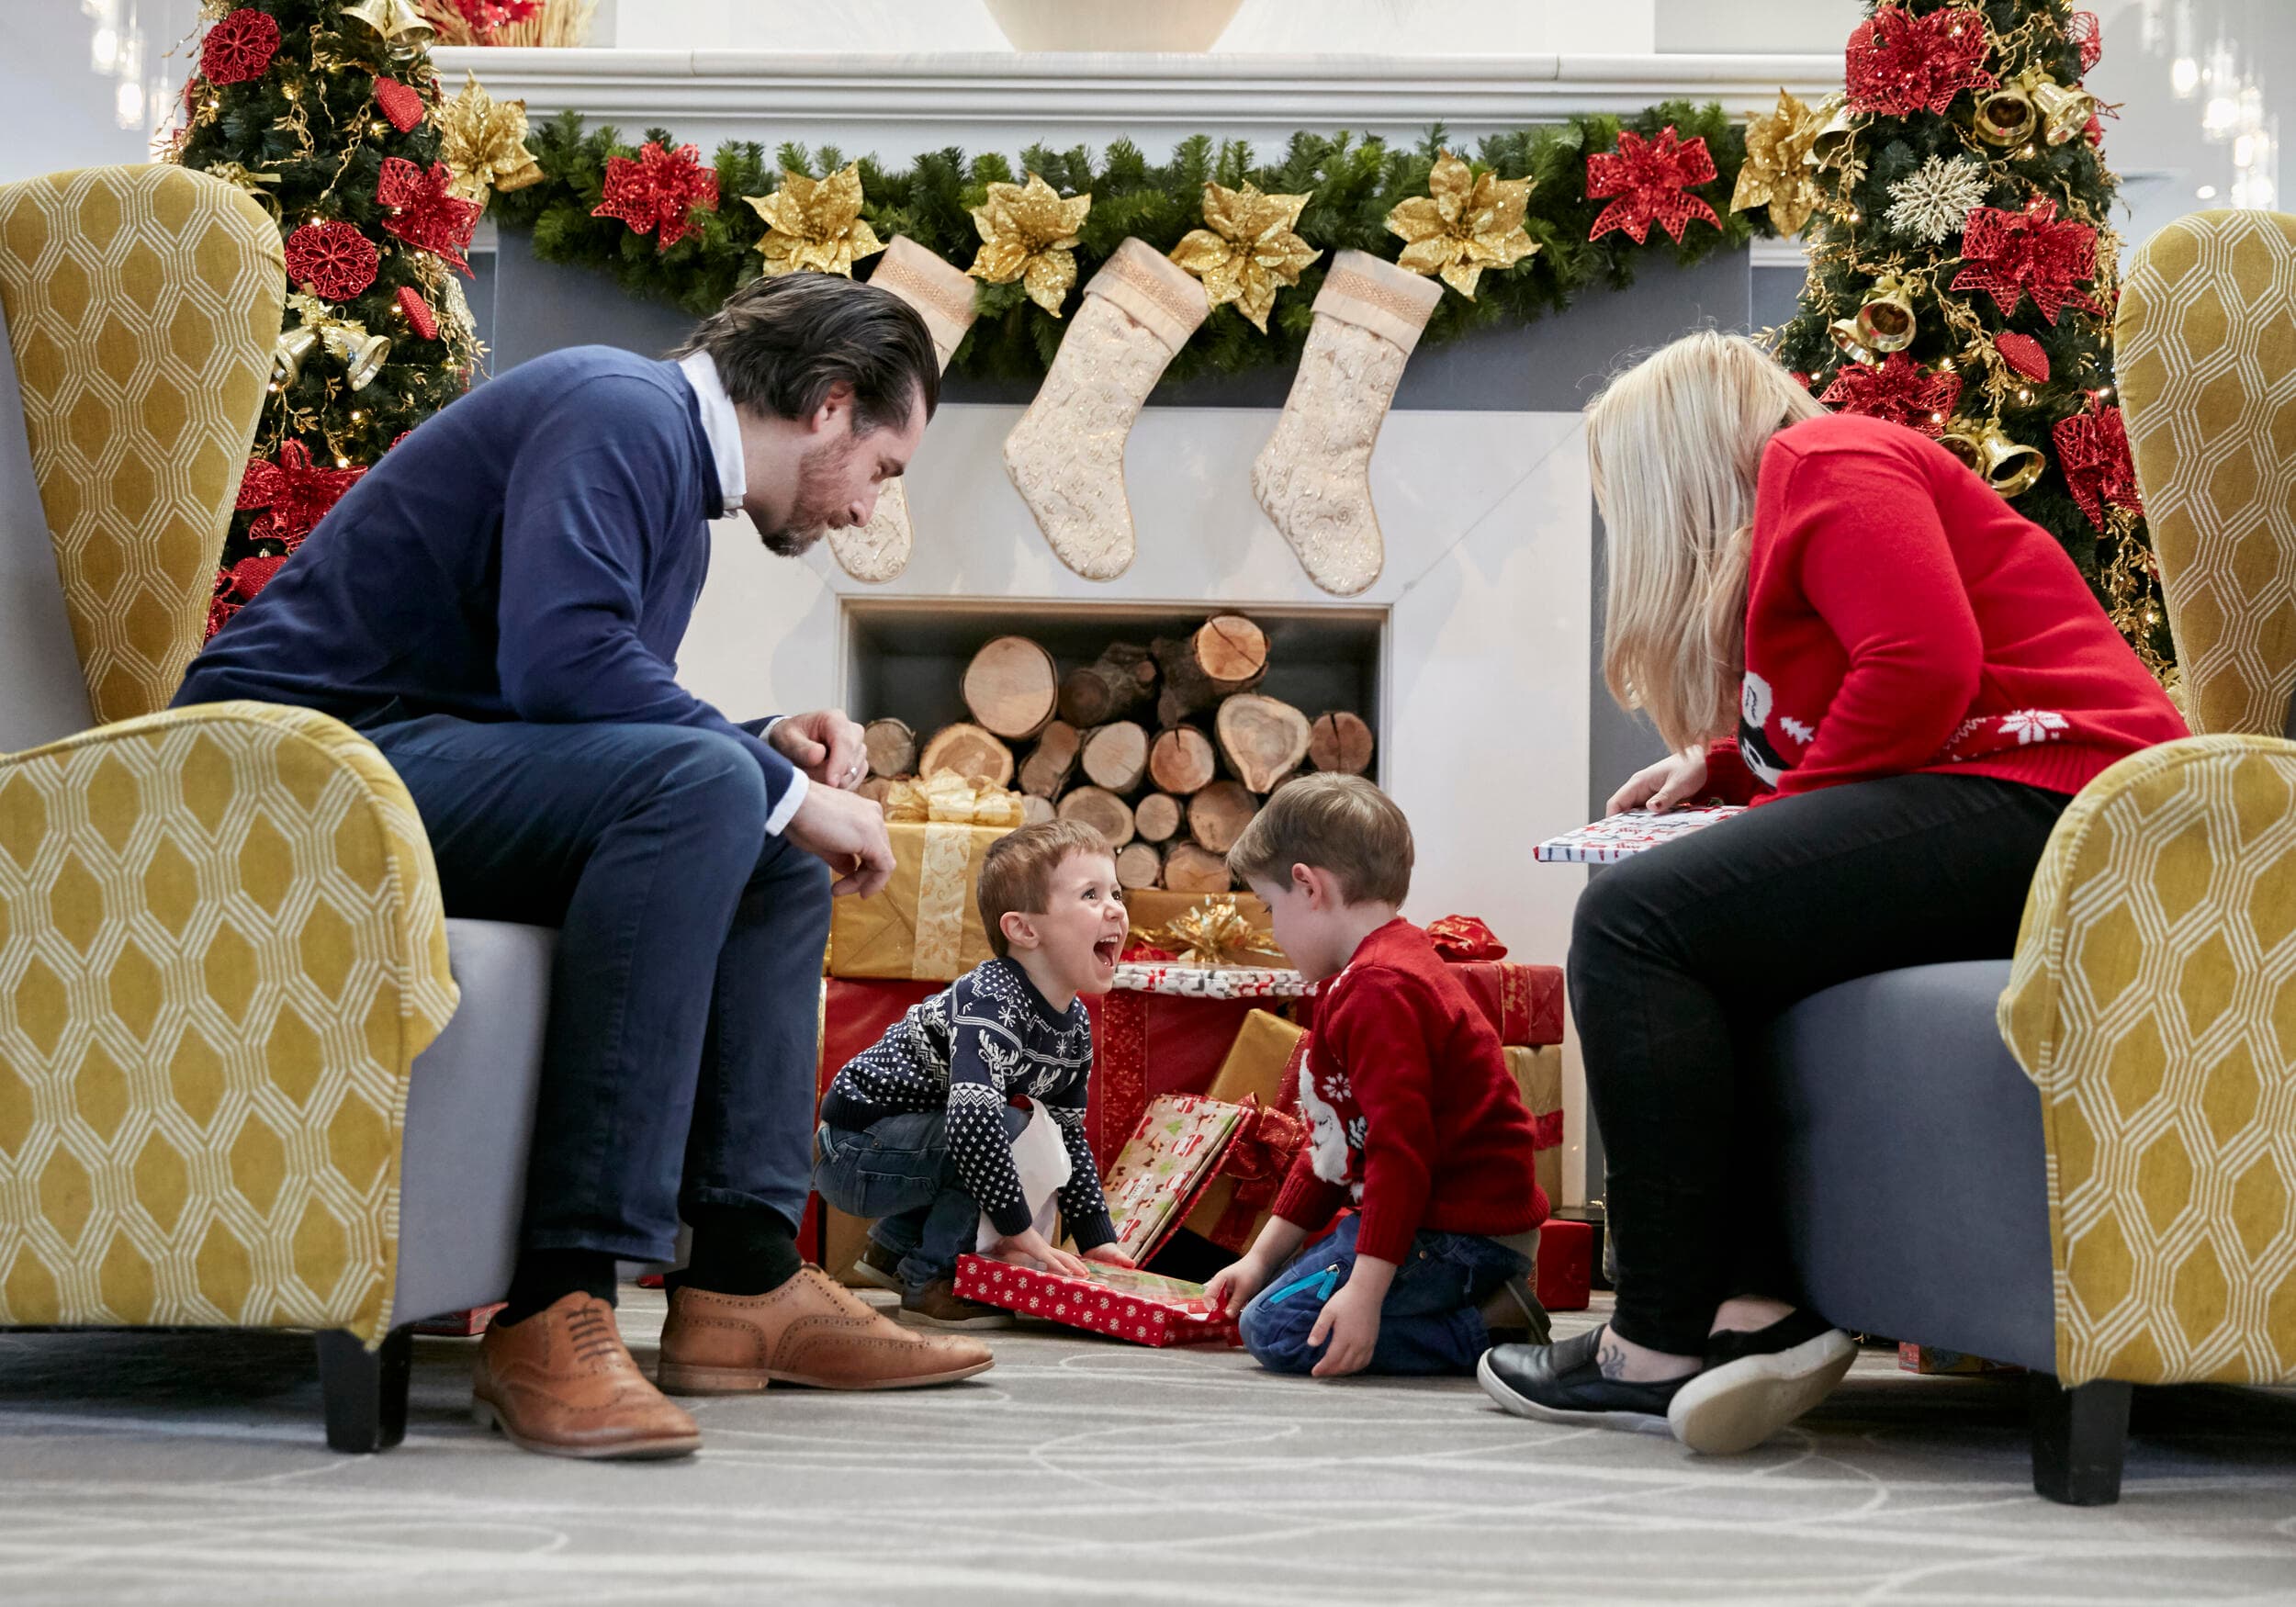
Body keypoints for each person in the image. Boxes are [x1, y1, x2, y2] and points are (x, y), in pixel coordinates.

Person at [174, 273, 996, 1462]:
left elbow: (579, 713)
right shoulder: (622, 410)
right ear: (827, 402)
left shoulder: (661, 465)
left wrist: (763, 756)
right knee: (734, 795)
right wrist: (775, 782)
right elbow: (568, 671)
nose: (873, 508)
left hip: (406, 757)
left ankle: (745, 1279)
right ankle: (557, 1301)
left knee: (760, 840)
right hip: (290, 775)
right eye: (885, 466)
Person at [1476, 331, 2188, 1454]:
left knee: (1632, 921)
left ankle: (1652, 1341)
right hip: (2025, 805)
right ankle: (1755, 1310)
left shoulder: (1827, 457)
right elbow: (1863, 708)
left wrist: (1769, 819)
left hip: (2068, 799)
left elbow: (1919, 668)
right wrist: (1723, 762)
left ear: (1680, 465)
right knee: (1708, 938)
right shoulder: (1799, 523)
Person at [1204, 775, 1551, 1377]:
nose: (1272, 931)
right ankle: (1469, 1308)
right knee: (1274, 1295)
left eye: (1269, 907)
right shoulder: (1376, 970)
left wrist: (1365, 1295)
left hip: (1459, 1235)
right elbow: (1334, 1152)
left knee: (1275, 1328)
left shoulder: (1378, 989)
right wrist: (1260, 1261)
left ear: (1308, 886)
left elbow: (1398, 1154)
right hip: (1442, 1227)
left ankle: (1490, 1325)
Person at [813, 821, 1139, 1329]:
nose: (1116, 907)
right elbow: (971, 1125)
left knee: (1036, 1131)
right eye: (1091, 895)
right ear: (1025, 930)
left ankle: (893, 1251)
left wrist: (1098, 1238)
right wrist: (1019, 1230)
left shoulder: (1073, 1024)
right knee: (998, 1128)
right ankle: (931, 1278)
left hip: (907, 1145)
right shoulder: (993, 997)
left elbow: (1068, 1137)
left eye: (1116, 892)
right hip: (853, 1149)